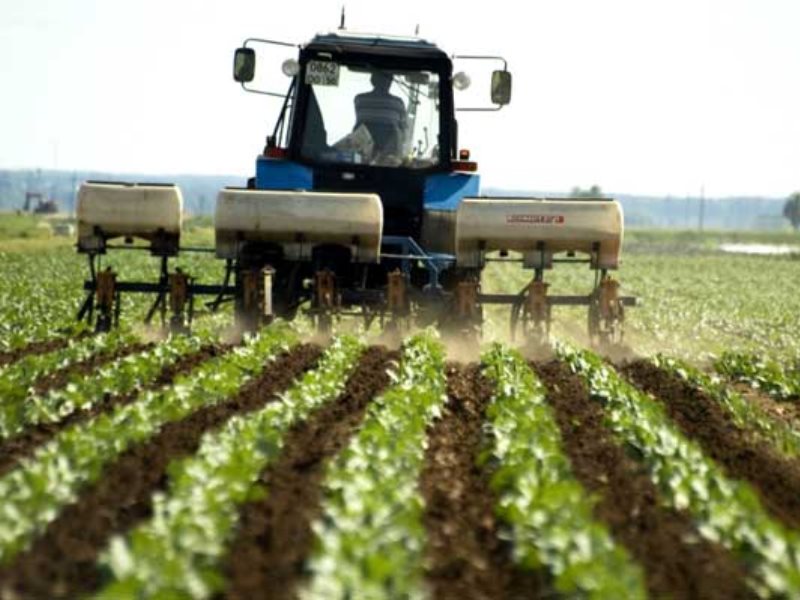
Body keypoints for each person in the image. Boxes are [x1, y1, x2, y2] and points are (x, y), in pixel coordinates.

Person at [354, 71, 408, 157]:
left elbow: (359, 121)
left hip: (362, 150)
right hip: (388, 155)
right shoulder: (398, 103)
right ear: (390, 83)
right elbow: (403, 129)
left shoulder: (360, 99)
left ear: (372, 81)